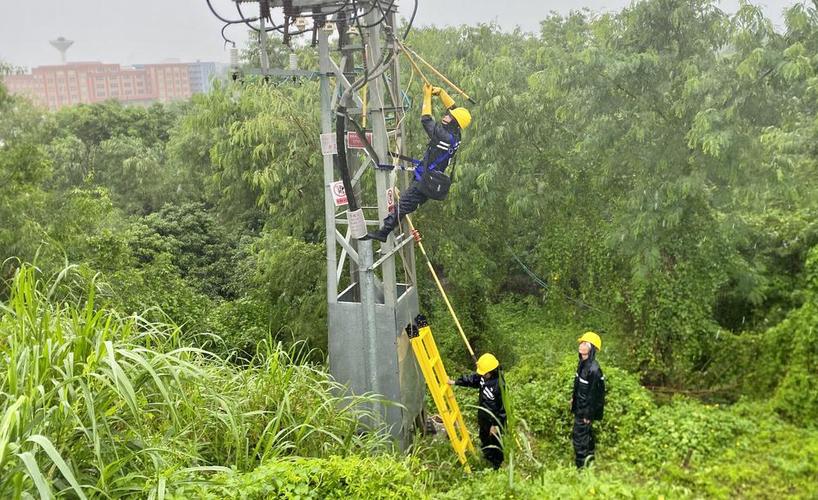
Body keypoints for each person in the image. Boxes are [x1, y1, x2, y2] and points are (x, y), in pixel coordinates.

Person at [361, 82, 471, 242]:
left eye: (449, 116)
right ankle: (385, 232)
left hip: (425, 180)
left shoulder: (443, 136)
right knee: (406, 205)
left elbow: (426, 119)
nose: (446, 115)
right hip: (428, 177)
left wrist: (427, 96)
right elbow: (453, 107)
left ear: (454, 122)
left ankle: (383, 233)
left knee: (404, 205)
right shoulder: (456, 135)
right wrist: (441, 93)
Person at [448, 353, 505, 469]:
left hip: (494, 421)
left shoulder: (500, 385)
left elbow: (503, 409)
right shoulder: (483, 377)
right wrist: (455, 382)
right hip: (483, 417)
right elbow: (472, 380)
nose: (482, 376)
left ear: (492, 371)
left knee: (495, 444)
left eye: (484, 374)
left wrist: (496, 425)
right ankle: (486, 461)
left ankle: (496, 467)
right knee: (484, 439)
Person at [571, 331, 606, 468]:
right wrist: (573, 400)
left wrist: (588, 415)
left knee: (580, 439)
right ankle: (590, 462)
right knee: (587, 435)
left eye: (585, 343)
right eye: (581, 343)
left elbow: (595, 395)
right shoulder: (582, 363)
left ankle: (581, 469)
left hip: (585, 411)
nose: (581, 346)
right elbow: (579, 386)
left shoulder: (594, 369)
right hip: (579, 407)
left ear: (591, 348)